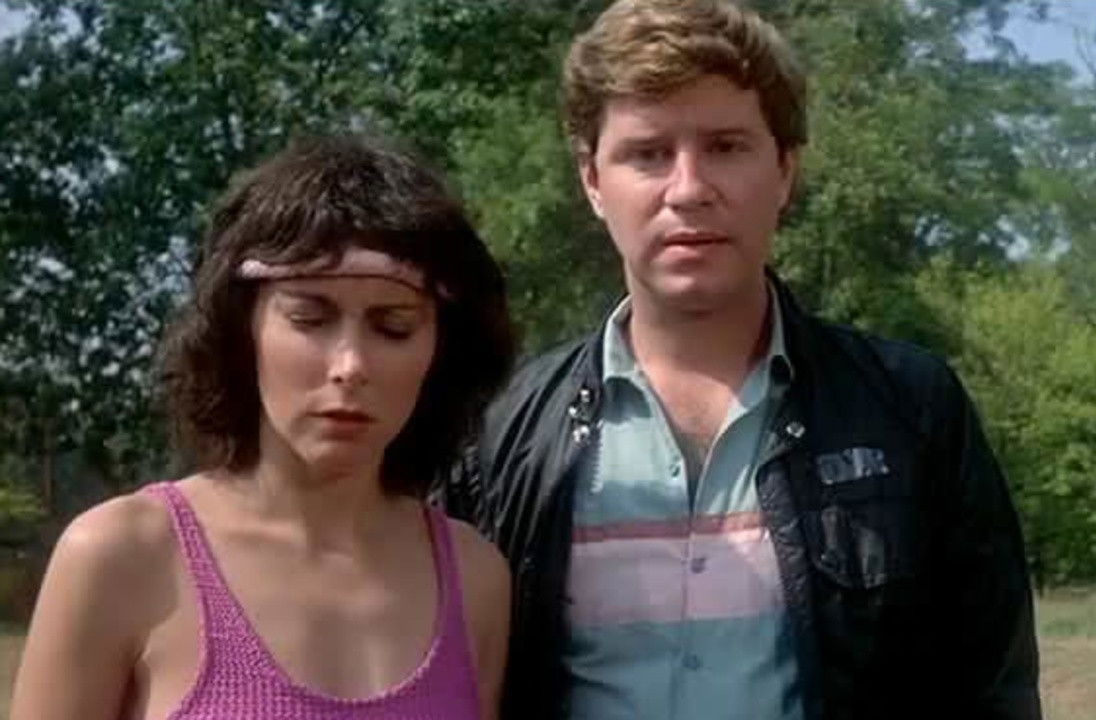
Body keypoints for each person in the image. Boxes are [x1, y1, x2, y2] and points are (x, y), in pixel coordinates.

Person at [445, 1, 1041, 718]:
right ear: (593, 181)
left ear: (785, 170)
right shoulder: (499, 433)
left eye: (726, 147)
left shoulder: (913, 408)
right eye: (648, 153)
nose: (689, 189)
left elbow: (993, 692)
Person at [12, 134, 515, 720]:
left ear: (441, 349)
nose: (350, 365)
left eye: (394, 327)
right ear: (241, 329)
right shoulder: (121, 556)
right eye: (309, 318)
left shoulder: (475, 579)